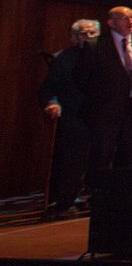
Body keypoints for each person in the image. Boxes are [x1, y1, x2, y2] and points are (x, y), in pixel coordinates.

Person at [82, 6, 132, 180]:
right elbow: (83, 78)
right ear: (111, 23)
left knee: (130, 152)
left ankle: (123, 192)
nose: (130, 21)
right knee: (102, 153)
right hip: (106, 110)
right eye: (123, 18)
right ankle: (97, 191)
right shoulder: (96, 45)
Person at [38, 20, 98, 217]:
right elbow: (49, 87)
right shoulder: (62, 58)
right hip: (74, 114)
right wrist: (52, 102)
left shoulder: (106, 57)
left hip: (100, 116)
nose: (88, 37)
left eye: (92, 33)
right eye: (83, 33)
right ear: (73, 37)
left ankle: (93, 197)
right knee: (72, 160)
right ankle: (66, 201)